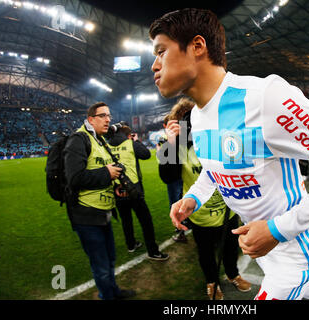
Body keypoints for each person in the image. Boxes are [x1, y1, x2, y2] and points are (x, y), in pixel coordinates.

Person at [150, 8, 309, 300]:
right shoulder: (198, 118)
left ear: (197, 47)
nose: (154, 65)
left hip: (296, 251)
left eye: (161, 51)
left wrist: (277, 230)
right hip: (260, 247)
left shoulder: (265, 97)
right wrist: (193, 197)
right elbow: (215, 169)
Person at [158, 97, 251, 299]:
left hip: (227, 207)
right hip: (200, 211)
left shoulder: (215, 139)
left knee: (230, 246)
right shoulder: (179, 147)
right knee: (206, 252)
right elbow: (168, 177)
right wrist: (173, 144)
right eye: (186, 121)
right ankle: (212, 281)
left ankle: (233, 274)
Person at [63, 102, 135, 300]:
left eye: (109, 115)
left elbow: (98, 172)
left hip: (103, 212)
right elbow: (74, 178)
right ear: (91, 119)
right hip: (86, 215)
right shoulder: (78, 140)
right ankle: (108, 296)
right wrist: (106, 172)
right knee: (101, 264)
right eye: (102, 115)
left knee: (110, 258)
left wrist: (115, 186)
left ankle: (113, 292)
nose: (108, 119)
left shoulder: (99, 140)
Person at [107, 124, 169, 260]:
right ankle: (153, 251)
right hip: (133, 188)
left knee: (126, 219)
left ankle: (131, 244)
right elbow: (146, 154)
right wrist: (136, 141)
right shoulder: (130, 143)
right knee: (146, 220)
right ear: (128, 135)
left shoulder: (107, 146)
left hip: (117, 189)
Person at [158, 114, 186, 242]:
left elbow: (160, 156)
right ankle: (182, 227)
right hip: (179, 172)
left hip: (174, 174)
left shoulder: (164, 137)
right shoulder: (182, 135)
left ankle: (180, 230)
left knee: (176, 202)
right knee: (181, 200)